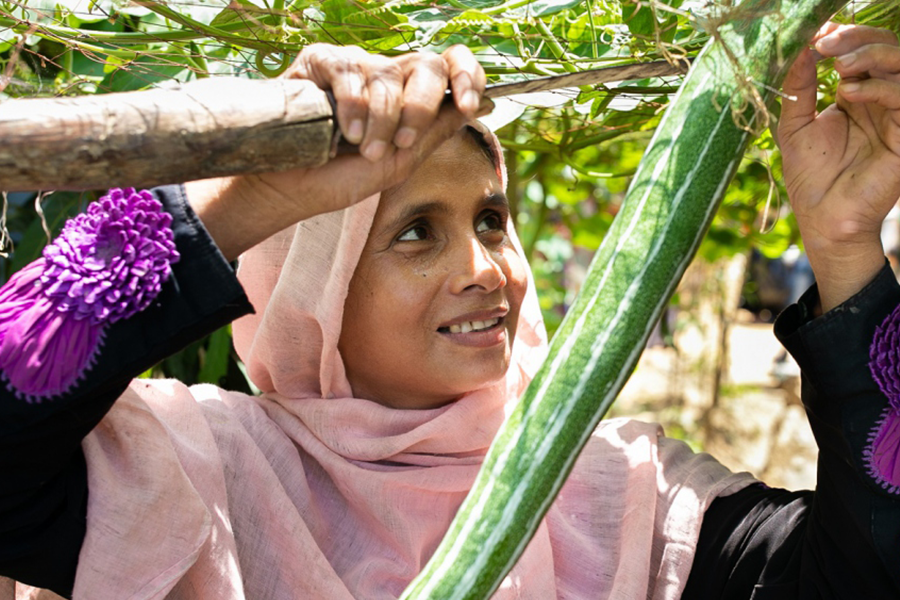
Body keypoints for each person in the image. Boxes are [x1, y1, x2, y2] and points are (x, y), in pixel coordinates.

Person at [0, 21, 899, 600]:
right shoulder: (195, 473)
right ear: (314, 291)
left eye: (492, 219)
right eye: (415, 233)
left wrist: (850, 250)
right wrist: (253, 202)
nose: (484, 268)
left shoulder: (625, 498)